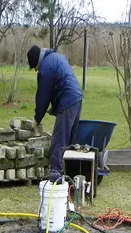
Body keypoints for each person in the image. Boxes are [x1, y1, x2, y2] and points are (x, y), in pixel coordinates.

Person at [27, 45, 83, 180]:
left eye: (34, 67)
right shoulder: (55, 57)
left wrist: (37, 119)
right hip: (77, 98)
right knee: (70, 139)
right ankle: (70, 171)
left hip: (68, 101)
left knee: (59, 139)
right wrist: (56, 106)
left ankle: (56, 173)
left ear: (36, 62)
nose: (36, 70)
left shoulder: (45, 68)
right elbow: (60, 83)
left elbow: (43, 96)